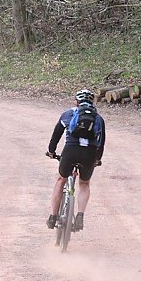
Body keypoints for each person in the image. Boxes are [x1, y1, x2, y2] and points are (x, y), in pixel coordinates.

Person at [46, 89, 105, 232]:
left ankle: (53, 216)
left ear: (76, 101)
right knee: (84, 183)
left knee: (61, 179)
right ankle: (80, 215)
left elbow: (56, 136)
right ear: (92, 102)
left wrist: (52, 152)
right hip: (89, 154)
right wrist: (97, 160)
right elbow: (101, 143)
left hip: (70, 151)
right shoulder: (98, 118)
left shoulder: (67, 114)